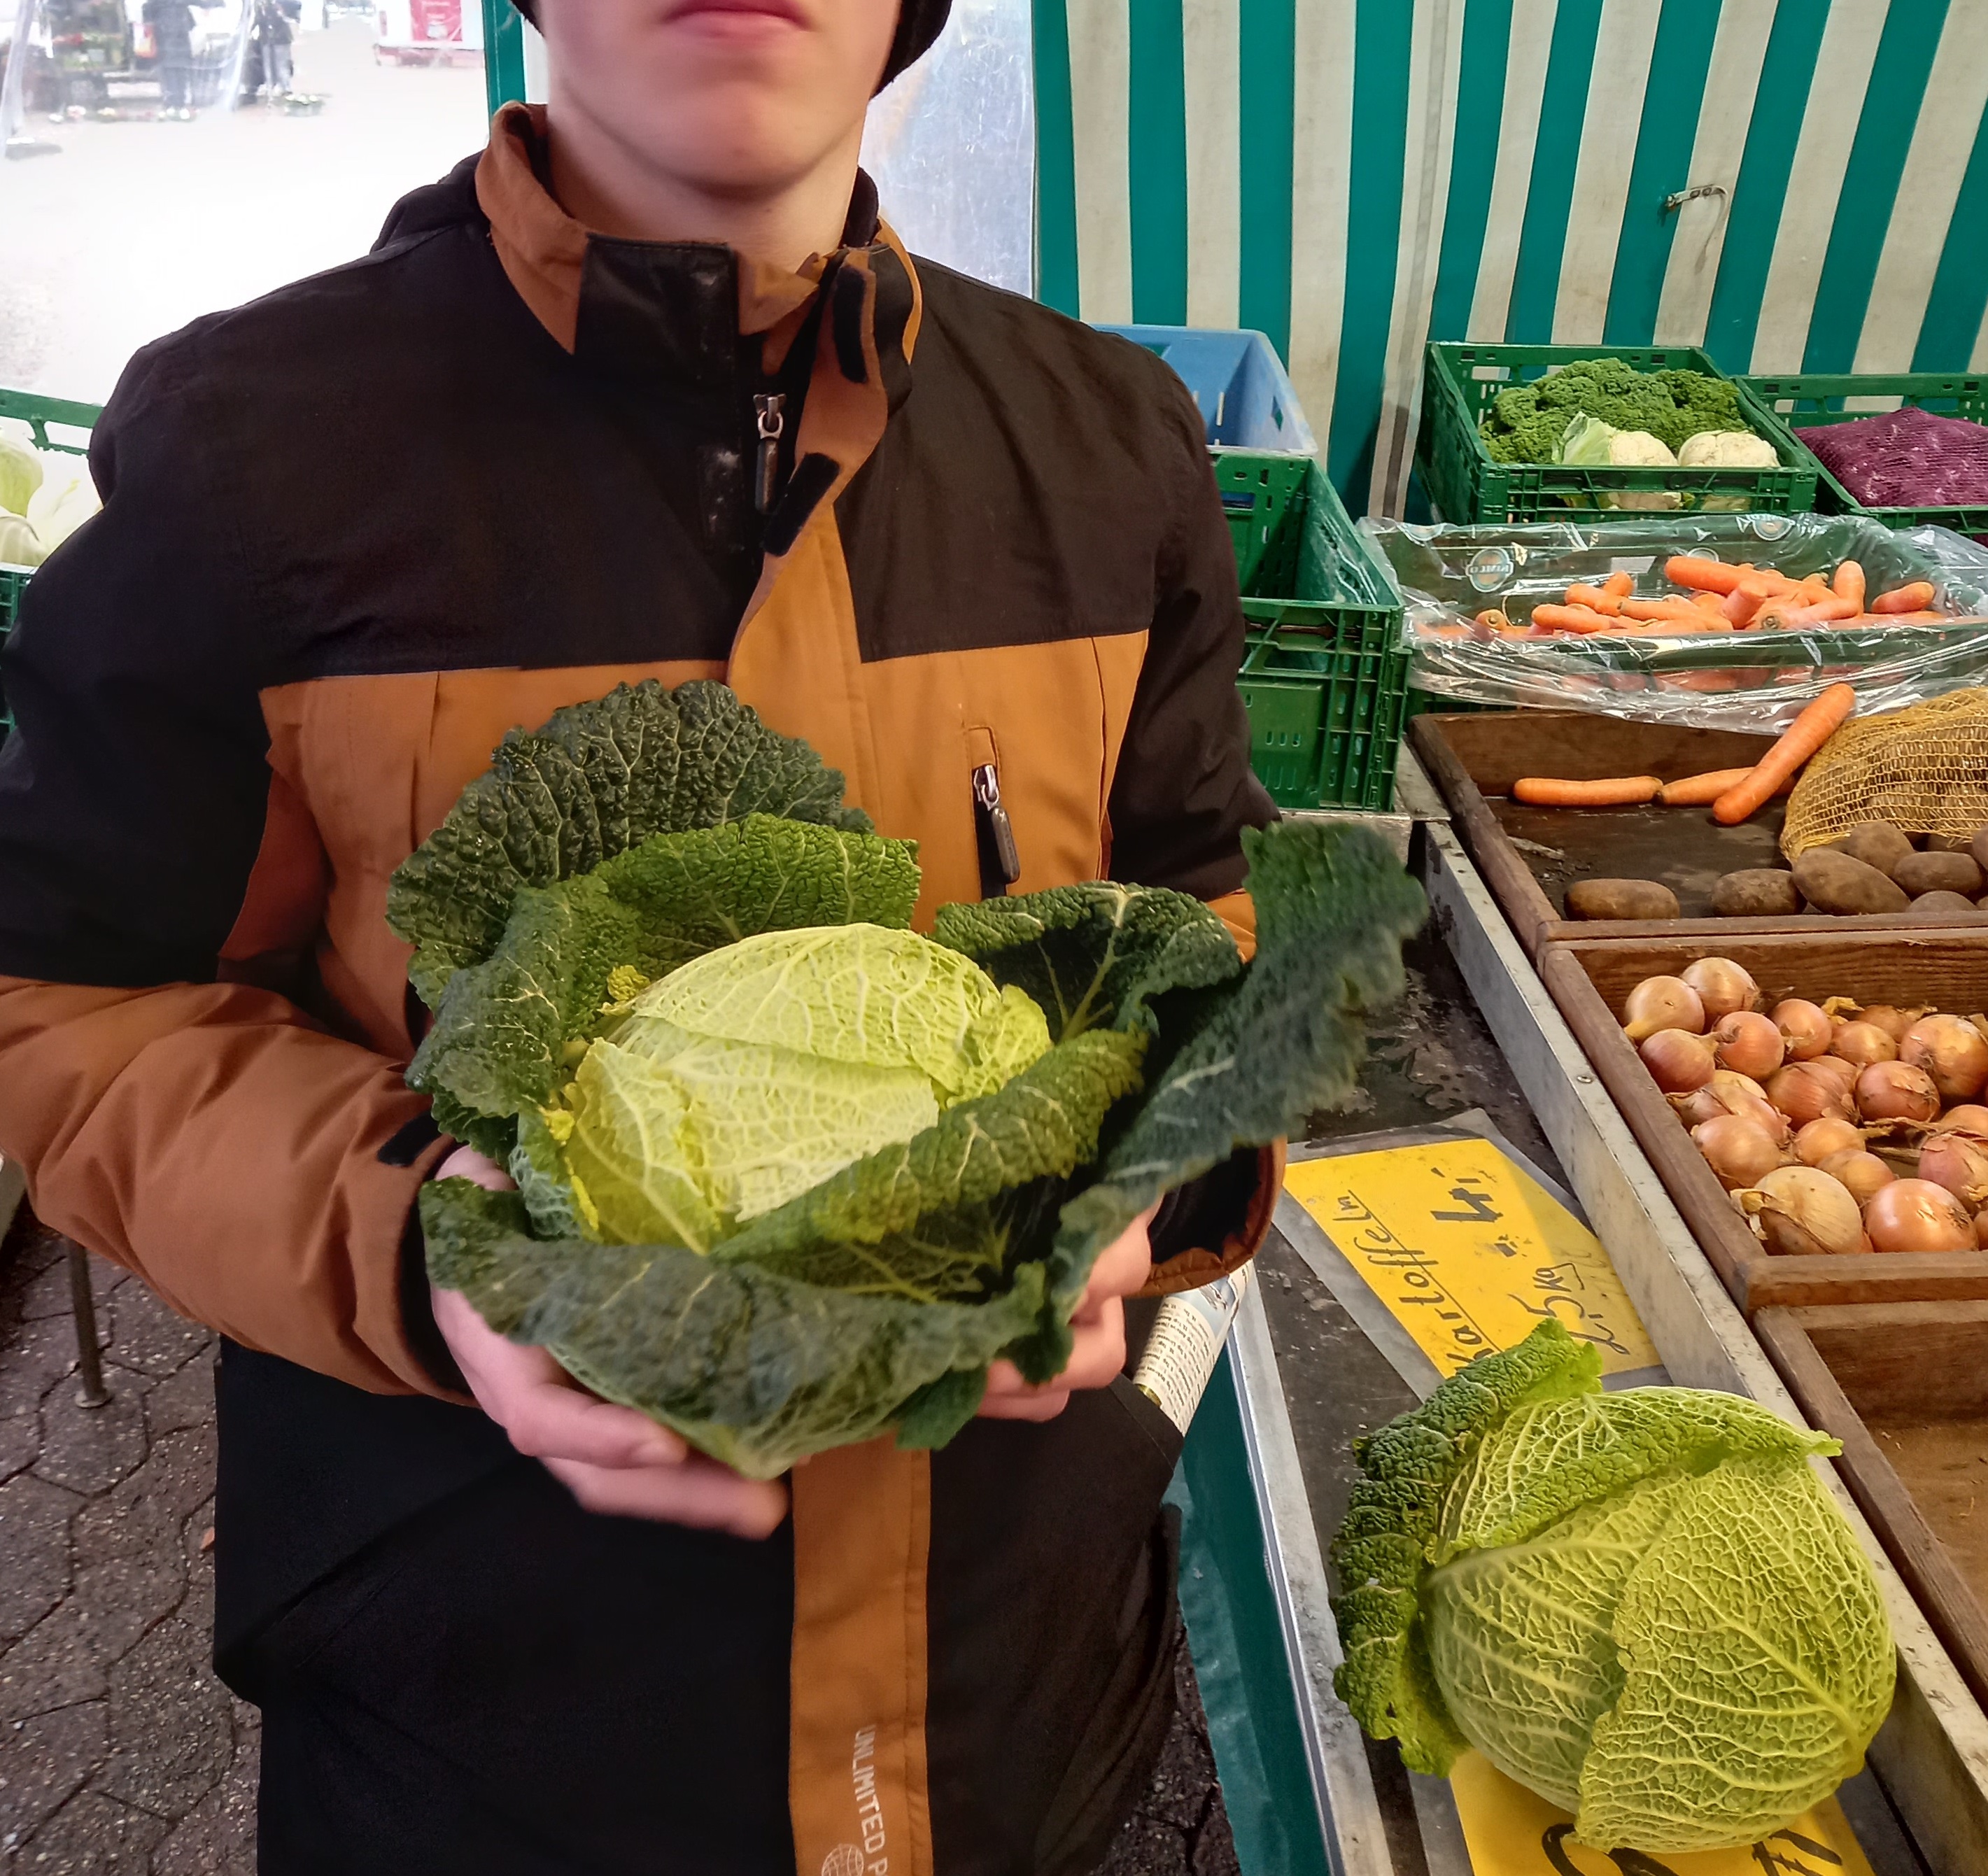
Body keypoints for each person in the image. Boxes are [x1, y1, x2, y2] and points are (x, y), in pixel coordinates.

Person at [0, 1, 1278, 1870]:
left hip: (1016, 1672)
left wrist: (1154, 1164)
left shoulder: (1107, 447)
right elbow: (62, 1003)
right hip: (492, 1710)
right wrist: (424, 1255)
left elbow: (1206, 928)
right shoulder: (257, 454)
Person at [141, 0, 207, 118]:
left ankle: (173, 102)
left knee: (172, 70)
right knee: (175, 70)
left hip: (169, 36)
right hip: (172, 36)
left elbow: (147, 11)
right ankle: (176, 102)